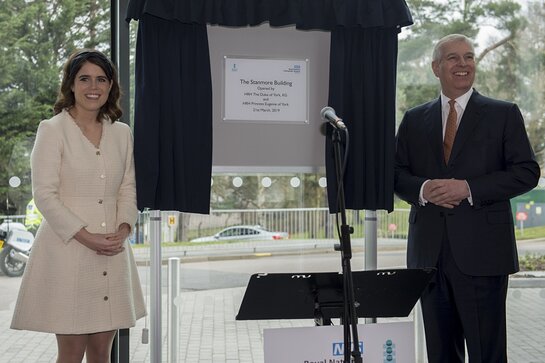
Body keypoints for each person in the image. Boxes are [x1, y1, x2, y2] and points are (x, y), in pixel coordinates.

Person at [394, 34, 540, 362]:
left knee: (486, 353)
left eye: (469, 57)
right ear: (435, 68)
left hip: (483, 254)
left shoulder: (503, 114)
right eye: (453, 58)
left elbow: (527, 172)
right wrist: (422, 188)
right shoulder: (415, 119)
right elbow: (395, 174)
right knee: (440, 353)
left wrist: (468, 188)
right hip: (429, 257)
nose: (463, 64)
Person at [11, 49, 146, 362]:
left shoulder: (122, 133)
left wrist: (124, 229)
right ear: (71, 84)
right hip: (68, 251)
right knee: (71, 353)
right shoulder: (52, 130)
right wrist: (87, 237)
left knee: (101, 351)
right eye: (84, 78)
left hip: (112, 252)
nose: (92, 86)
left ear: (111, 86)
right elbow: (44, 194)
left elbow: (128, 187)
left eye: (101, 79)